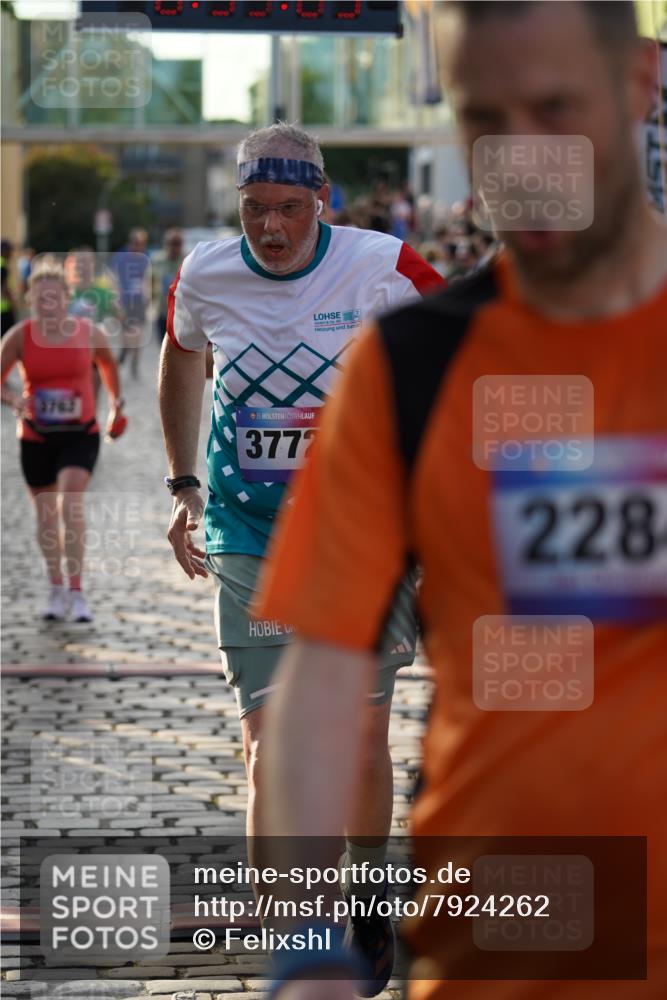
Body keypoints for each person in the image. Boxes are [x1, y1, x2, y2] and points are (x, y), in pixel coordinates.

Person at [256, 3, 667, 998]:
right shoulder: (410, 366)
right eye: (486, 120)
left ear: (640, 85)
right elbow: (322, 674)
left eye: (554, 108)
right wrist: (307, 947)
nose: (522, 161)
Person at [159, 122, 444, 995]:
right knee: (266, 747)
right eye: (254, 209)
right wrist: (182, 482)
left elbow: (463, 356)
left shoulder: (382, 264)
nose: (271, 226)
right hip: (247, 533)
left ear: (322, 199)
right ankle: (299, 948)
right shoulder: (205, 273)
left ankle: (365, 887)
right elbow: (181, 353)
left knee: (358, 738)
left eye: (288, 207)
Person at [1, 256, 127, 623]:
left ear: (66, 298)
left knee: (70, 502)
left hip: (80, 433)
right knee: (45, 514)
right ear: (31, 299)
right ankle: (56, 588)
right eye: (40, 298)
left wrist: (115, 405)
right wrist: (13, 399)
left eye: (54, 297)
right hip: (36, 435)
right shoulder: (20, 337)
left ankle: (76, 590)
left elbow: (108, 364)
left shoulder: (88, 332)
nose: (47, 304)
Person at [111, 227, 150, 379]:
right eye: (136, 243)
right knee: (126, 333)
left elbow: (146, 279)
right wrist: (116, 301)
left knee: (137, 332)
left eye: (141, 244)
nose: (138, 247)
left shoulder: (145, 258)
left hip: (138, 301)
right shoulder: (121, 257)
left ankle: (134, 363)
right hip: (124, 301)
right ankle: (125, 351)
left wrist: (147, 298)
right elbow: (114, 280)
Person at [151, 228, 184, 343]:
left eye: (177, 244)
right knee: (163, 345)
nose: (174, 248)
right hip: (162, 311)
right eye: (172, 243)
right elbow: (150, 282)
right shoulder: (157, 261)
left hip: (181, 314)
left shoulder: (187, 261)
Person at [1, 239, 17, 337]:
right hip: (4, 309)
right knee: (7, 337)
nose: (11, 254)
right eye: (9, 251)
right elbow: (4, 287)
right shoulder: (2, 265)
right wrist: (12, 302)